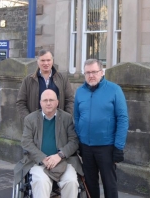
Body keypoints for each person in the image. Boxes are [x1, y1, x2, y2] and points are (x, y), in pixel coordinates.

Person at [74, 59, 129, 198]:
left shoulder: (114, 90)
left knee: (109, 185)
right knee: (90, 185)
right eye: (87, 72)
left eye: (94, 72)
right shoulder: (80, 92)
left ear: (102, 72)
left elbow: (123, 119)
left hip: (107, 147)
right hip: (86, 147)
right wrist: (80, 140)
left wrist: (118, 147)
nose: (91, 75)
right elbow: (77, 117)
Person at [14, 89, 83, 197]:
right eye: (45, 100)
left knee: (72, 182)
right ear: (40, 103)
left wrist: (59, 155)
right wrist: (43, 158)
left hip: (63, 161)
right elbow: (26, 142)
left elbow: (74, 141)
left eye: (51, 100)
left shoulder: (67, 118)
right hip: (38, 162)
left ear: (57, 102)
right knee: (41, 182)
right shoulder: (30, 119)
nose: (48, 103)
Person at [16, 49, 74, 119]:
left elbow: (70, 100)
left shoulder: (63, 79)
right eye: (43, 60)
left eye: (48, 60)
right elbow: (20, 103)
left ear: (52, 61)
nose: (46, 63)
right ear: (37, 61)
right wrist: (29, 120)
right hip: (36, 125)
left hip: (58, 124)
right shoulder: (28, 80)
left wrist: (65, 119)